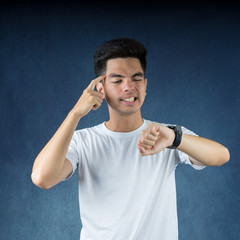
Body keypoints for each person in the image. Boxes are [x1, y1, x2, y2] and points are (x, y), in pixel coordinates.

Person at [31, 38, 230, 240]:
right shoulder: (83, 141)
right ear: (100, 88)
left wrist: (174, 138)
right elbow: (42, 178)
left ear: (145, 85)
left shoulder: (164, 134)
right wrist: (75, 114)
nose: (129, 87)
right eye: (117, 80)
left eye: (136, 78)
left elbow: (221, 156)